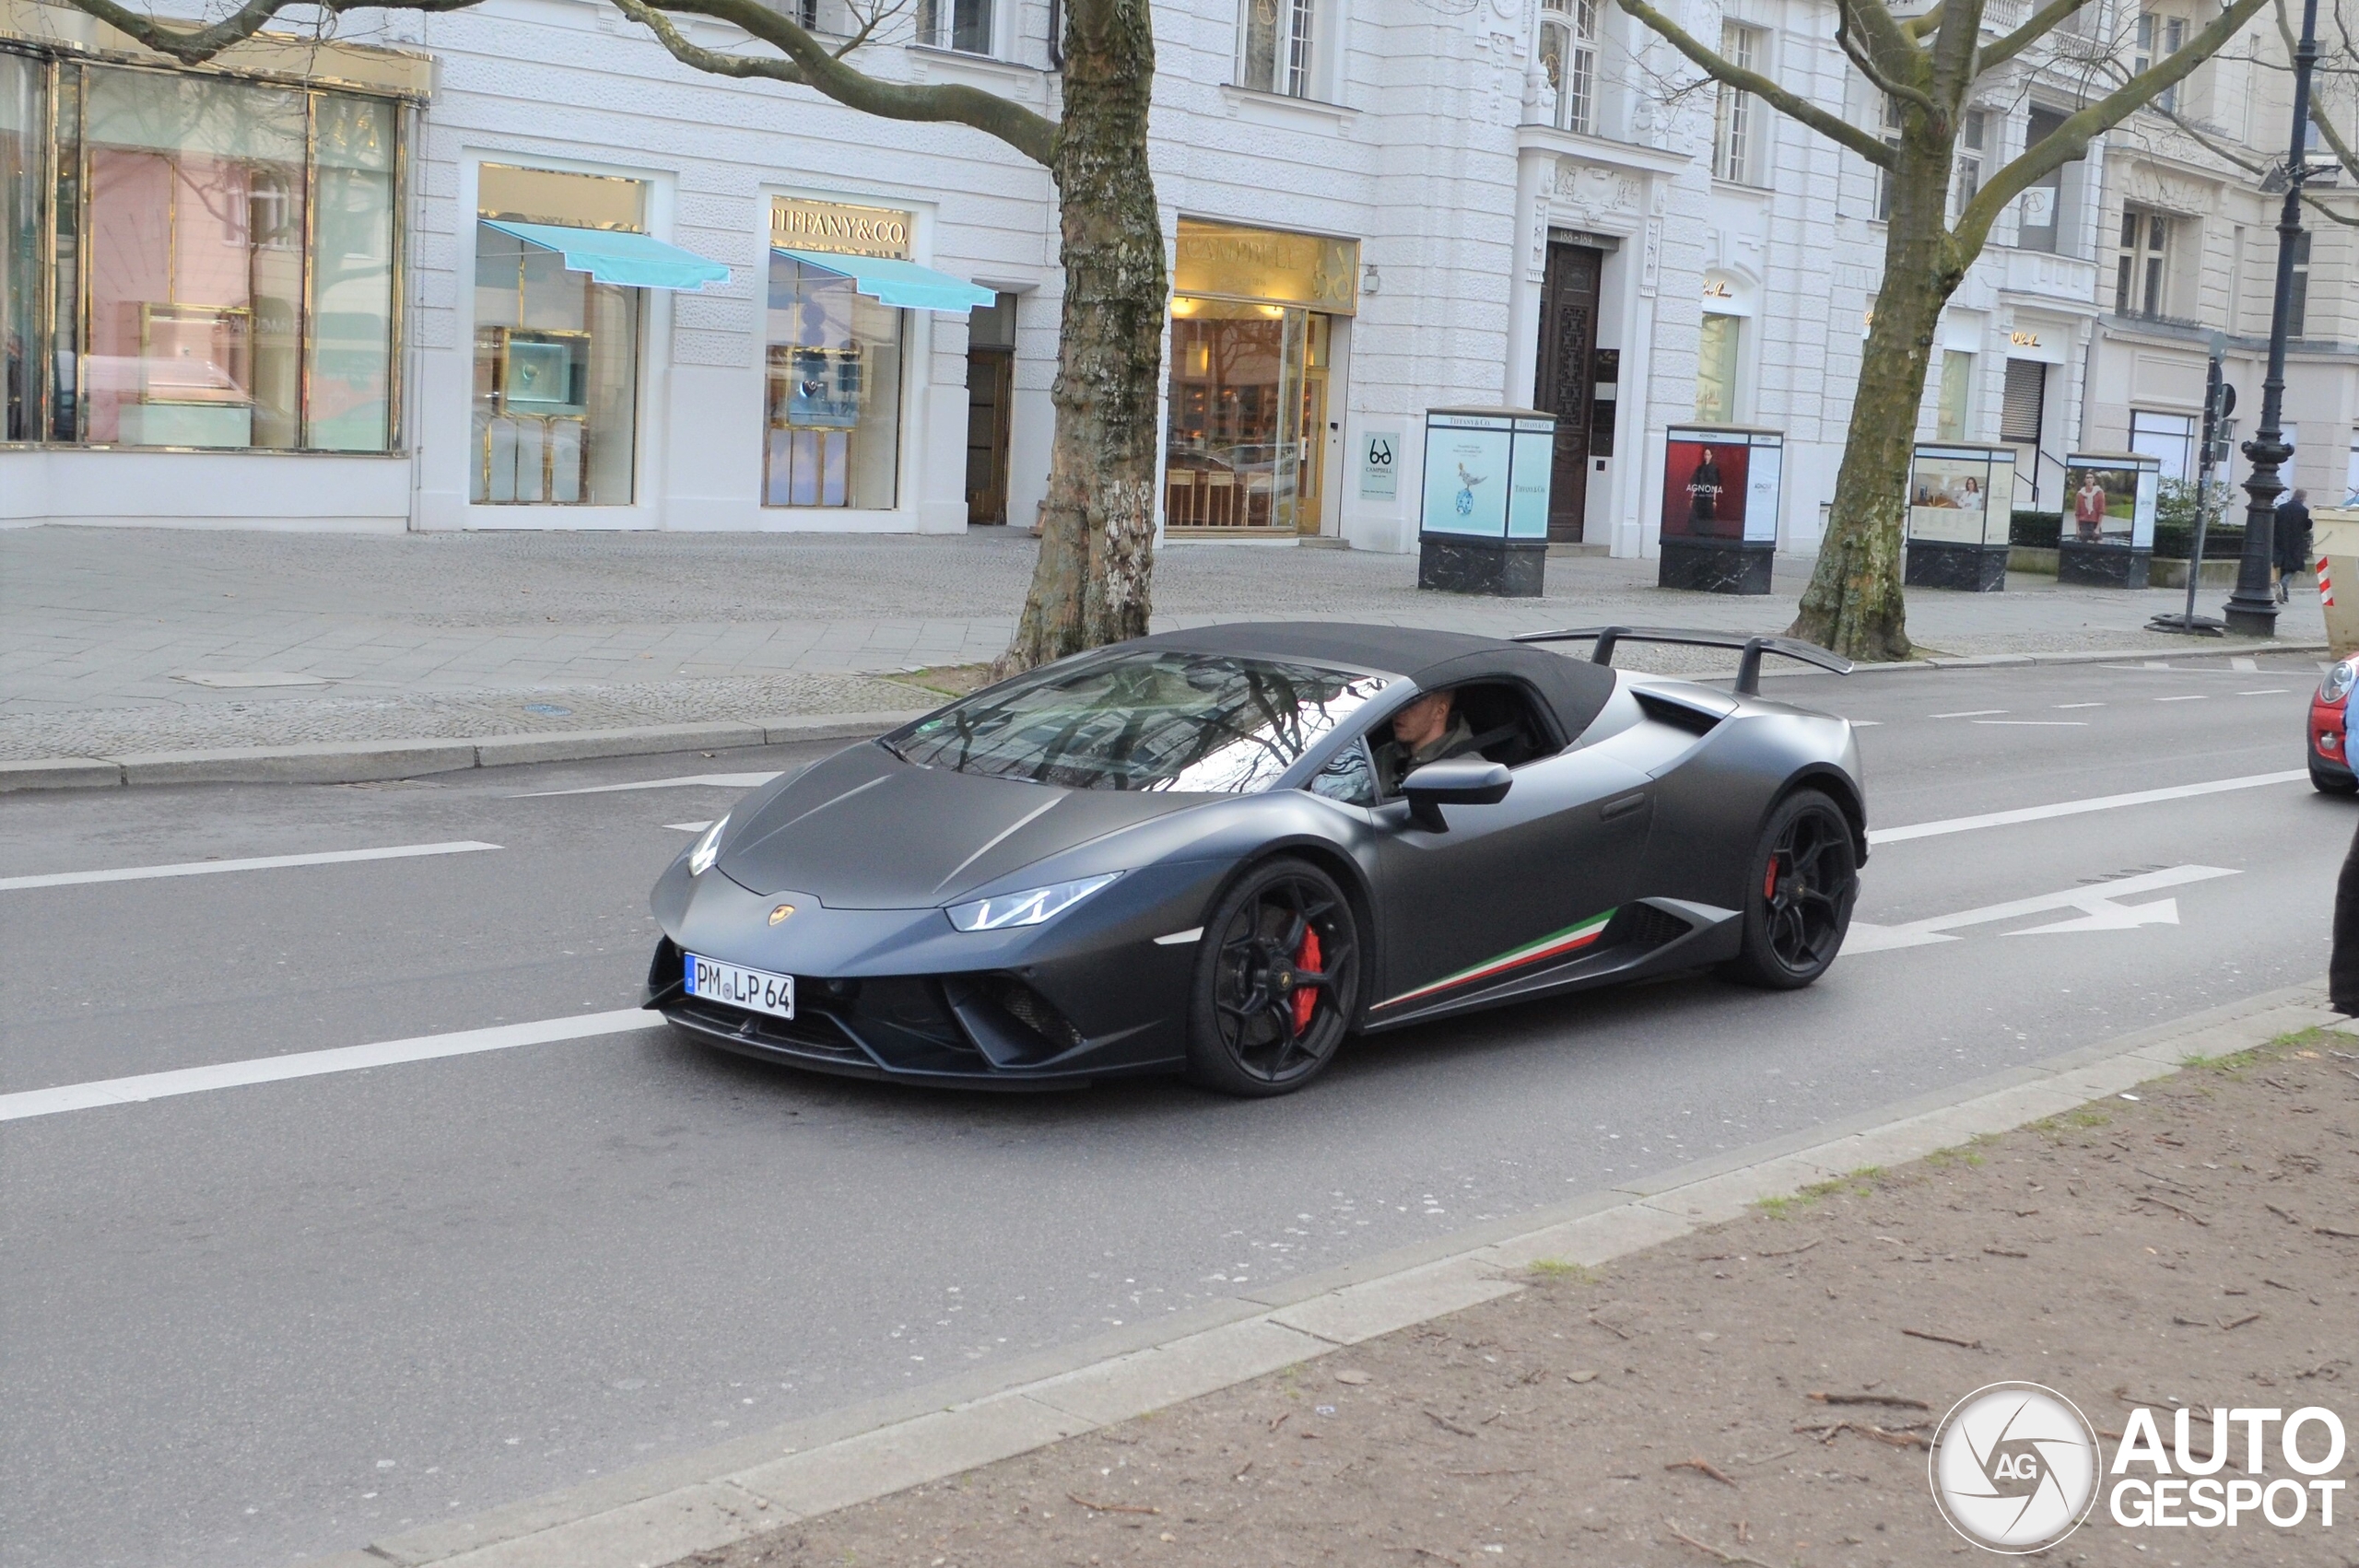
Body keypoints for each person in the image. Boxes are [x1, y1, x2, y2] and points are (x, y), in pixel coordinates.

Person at [1372, 688, 1478, 798]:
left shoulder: (1468, 769)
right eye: (1399, 703)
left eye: (1412, 704)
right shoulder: (1382, 756)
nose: (1400, 712)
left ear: (1440, 711)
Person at [2276, 488, 2314, 603]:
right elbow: (2308, 525)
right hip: (2296, 543)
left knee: (2283, 566)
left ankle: (2285, 596)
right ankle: (2283, 584)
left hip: (2281, 542)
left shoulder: (2281, 508)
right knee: (2294, 567)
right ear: (2303, 498)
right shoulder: (2304, 511)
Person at [2073, 475, 2107, 543]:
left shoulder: (2099, 493)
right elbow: (2077, 513)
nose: (2089, 479)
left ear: (2094, 480)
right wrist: (2077, 528)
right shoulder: (2080, 494)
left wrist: (2097, 528)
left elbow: (2101, 511)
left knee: (2099, 543)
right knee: (2082, 545)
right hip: (2083, 524)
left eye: (2091, 478)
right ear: (2084, 480)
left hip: (2094, 524)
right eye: (2087, 478)